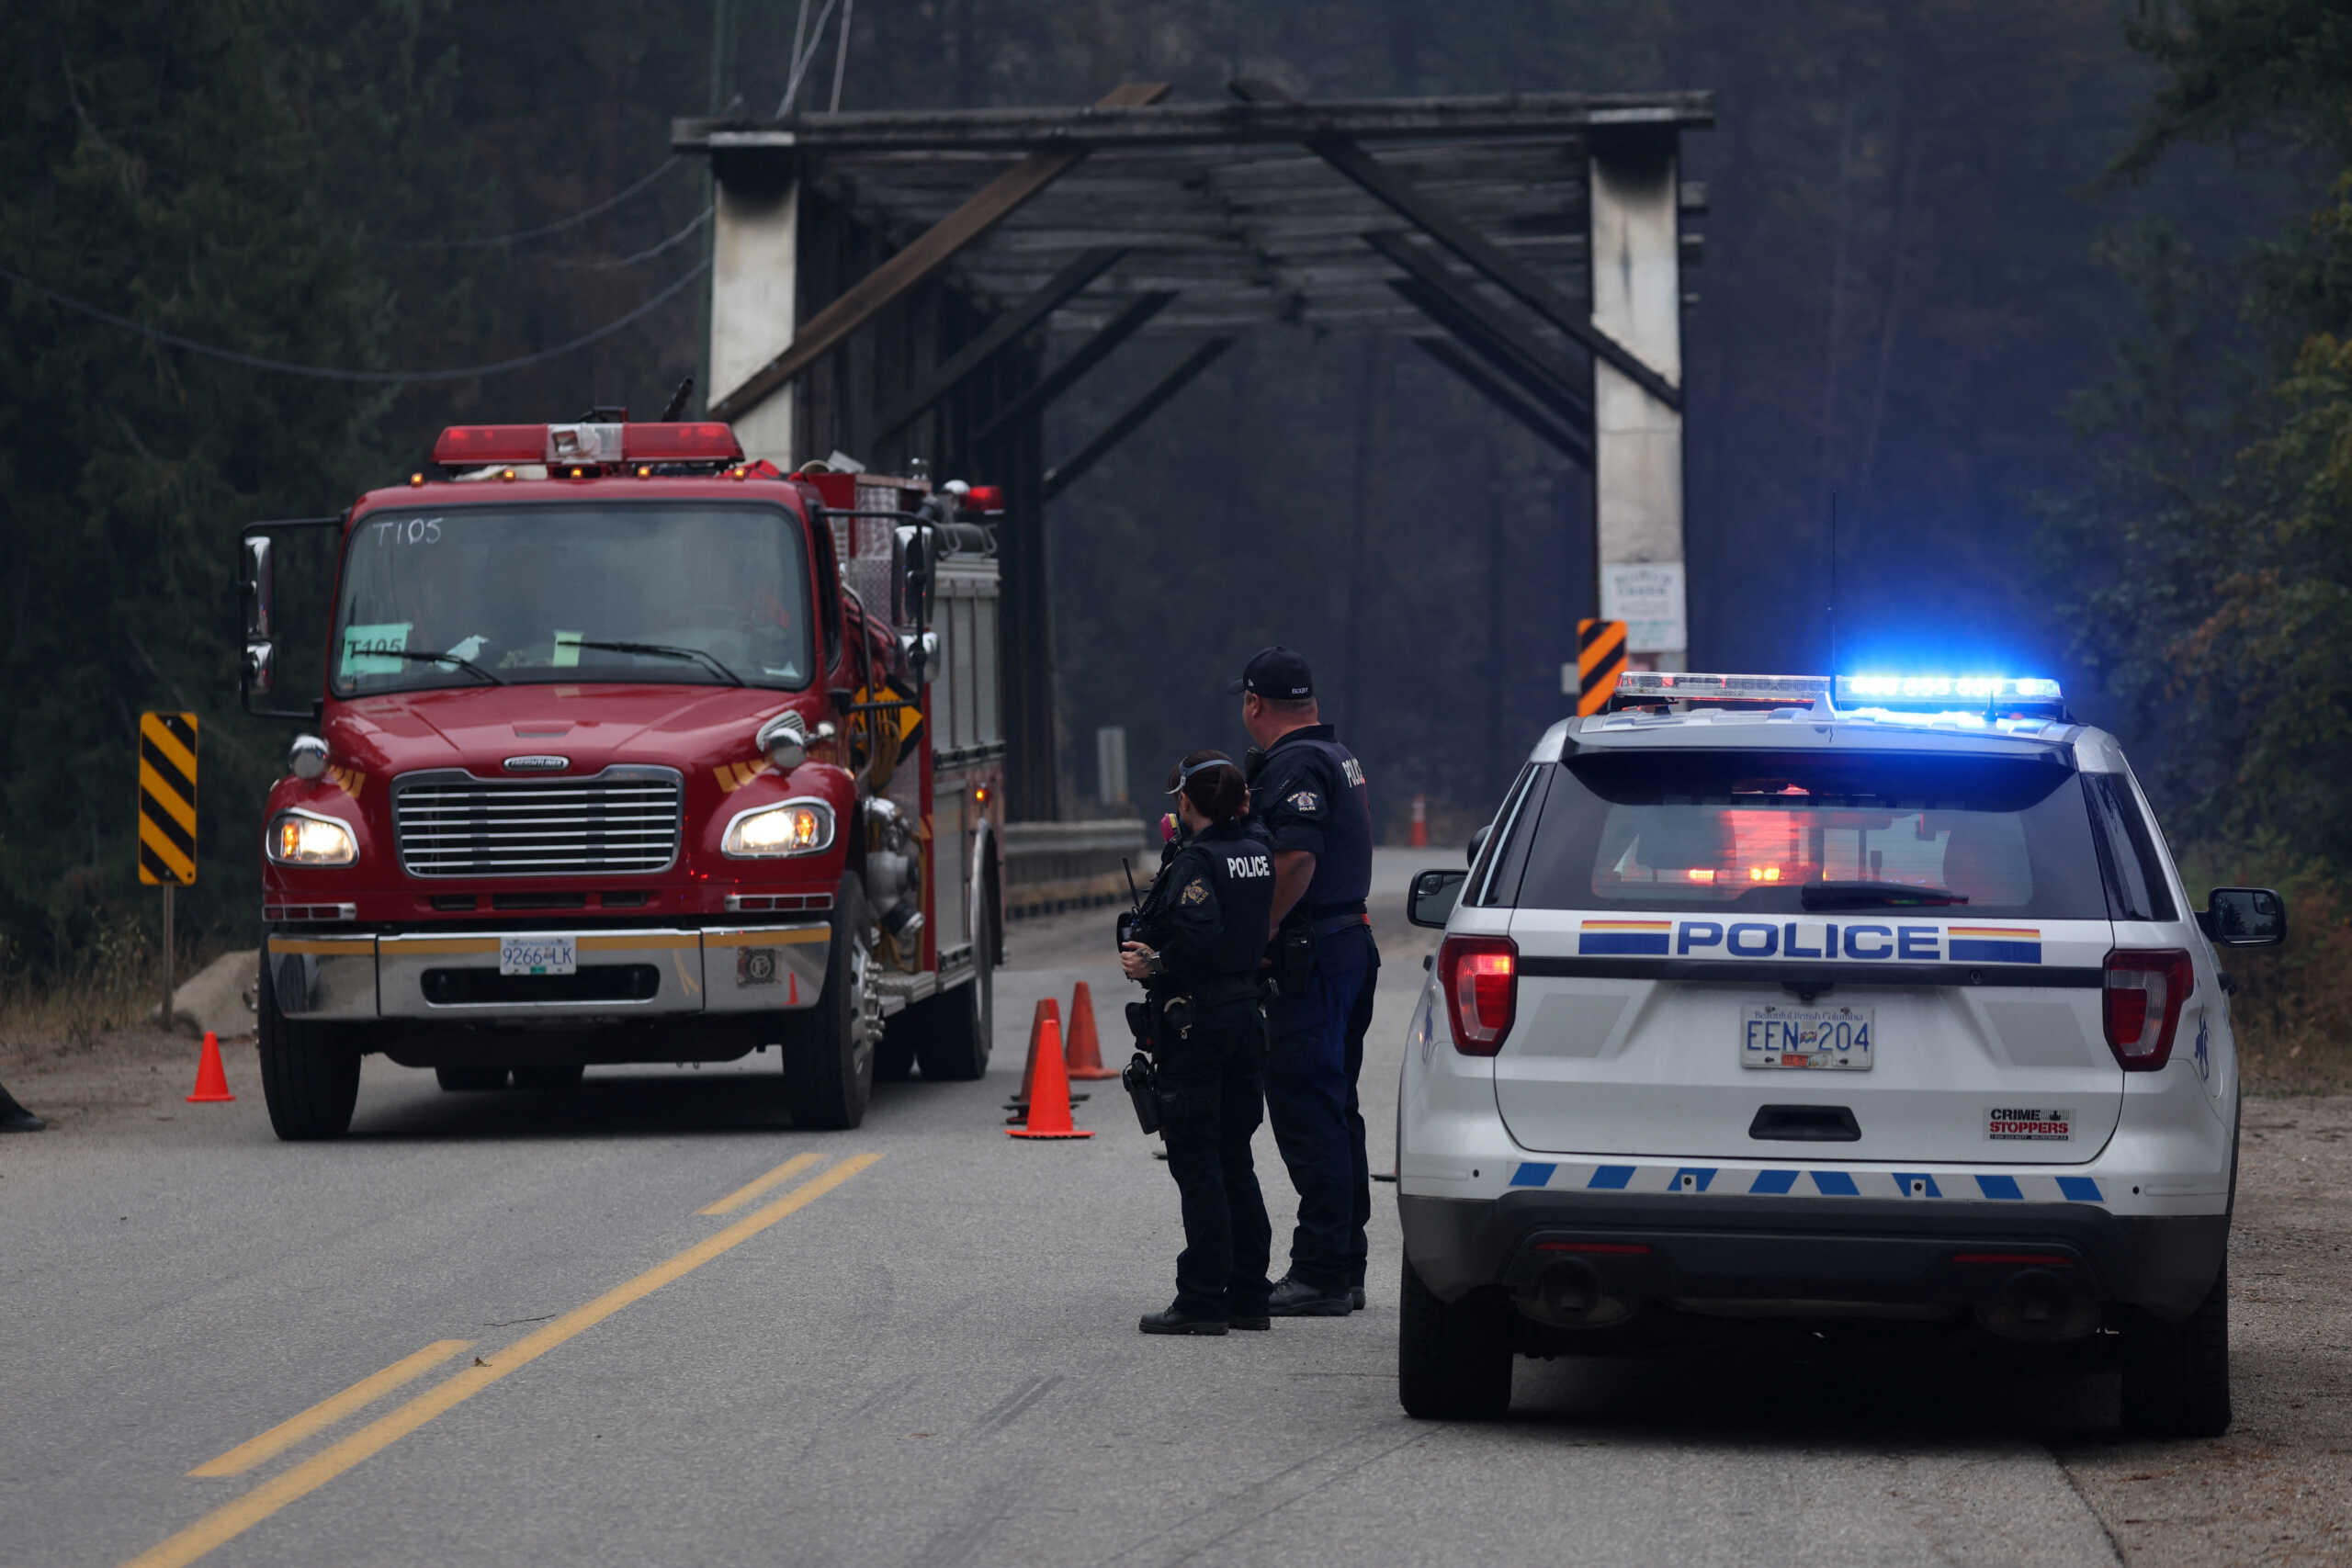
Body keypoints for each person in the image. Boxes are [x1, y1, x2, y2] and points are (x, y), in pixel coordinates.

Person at [1231, 647, 1378, 1316]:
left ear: (1254, 705)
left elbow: (1294, 859)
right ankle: (1344, 1263)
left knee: (1307, 1104)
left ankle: (1320, 1269)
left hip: (1315, 951)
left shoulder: (1294, 764)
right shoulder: (1337, 753)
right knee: (1336, 1104)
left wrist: (1253, 933)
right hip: (1345, 942)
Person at [1119, 750, 1278, 1336]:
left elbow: (1200, 940)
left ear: (1188, 802)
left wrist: (1153, 962)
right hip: (1245, 1016)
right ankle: (1250, 1292)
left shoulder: (1196, 865)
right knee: (1235, 1154)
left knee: (1197, 1158)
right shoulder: (1259, 853)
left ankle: (1204, 1296)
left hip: (1199, 1023)